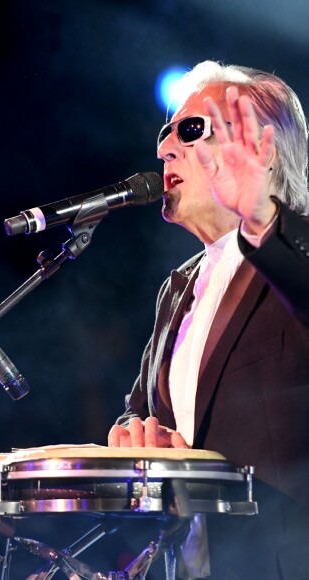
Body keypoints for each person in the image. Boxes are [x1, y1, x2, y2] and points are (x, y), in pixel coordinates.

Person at [107, 60, 309, 580]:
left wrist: (264, 219)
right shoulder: (177, 288)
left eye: (191, 130)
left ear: (263, 150)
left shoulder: (295, 260)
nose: (165, 148)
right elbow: (140, 411)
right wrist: (137, 435)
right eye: (165, 132)